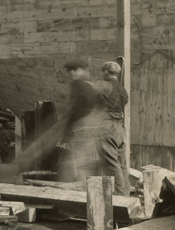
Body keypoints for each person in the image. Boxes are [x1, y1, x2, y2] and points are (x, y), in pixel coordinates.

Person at [55, 56, 108, 184]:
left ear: (83, 70)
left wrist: (66, 134)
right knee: (82, 164)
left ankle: (81, 193)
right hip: (89, 132)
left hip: (82, 131)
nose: (72, 73)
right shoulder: (89, 86)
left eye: (75, 69)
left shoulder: (81, 87)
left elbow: (76, 111)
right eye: (70, 70)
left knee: (77, 164)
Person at [97, 60, 130, 195]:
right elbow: (124, 102)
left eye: (103, 71)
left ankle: (122, 200)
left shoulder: (104, 86)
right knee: (121, 164)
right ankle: (127, 196)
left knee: (111, 165)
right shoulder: (122, 89)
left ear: (106, 72)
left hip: (107, 125)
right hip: (120, 128)